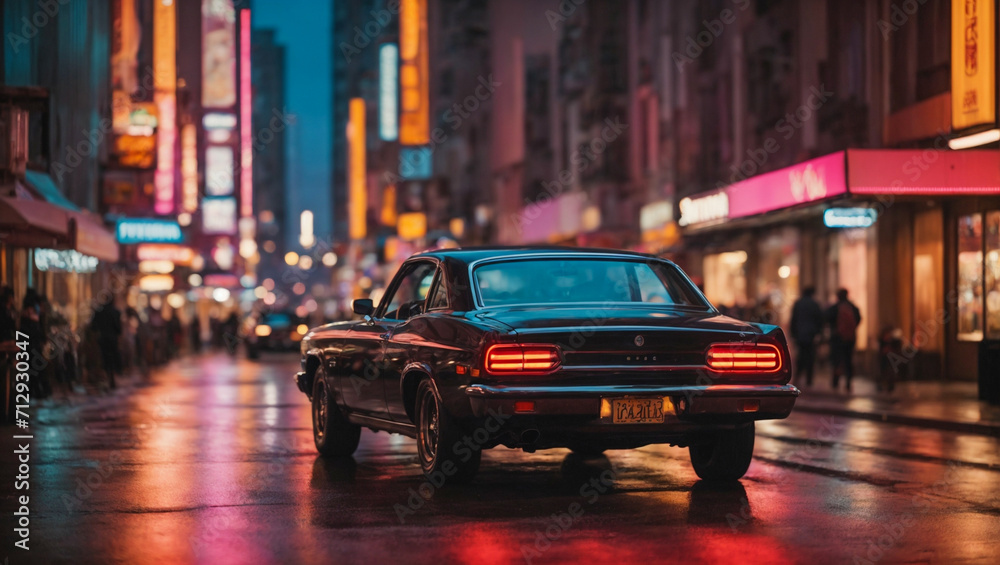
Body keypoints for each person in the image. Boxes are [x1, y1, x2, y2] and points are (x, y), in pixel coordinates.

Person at [827, 288, 861, 391]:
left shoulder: (835, 307)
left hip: (837, 338)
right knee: (848, 360)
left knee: (837, 360)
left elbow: (827, 318)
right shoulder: (853, 307)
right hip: (850, 338)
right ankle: (848, 383)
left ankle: (835, 382)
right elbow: (858, 319)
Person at [789, 286, 824, 387]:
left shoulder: (798, 303)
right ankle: (809, 378)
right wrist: (818, 333)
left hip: (800, 334)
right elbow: (820, 320)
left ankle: (798, 376)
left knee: (801, 356)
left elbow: (794, 319)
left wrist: (793, 334)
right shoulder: (815, 304)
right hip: (811, 335)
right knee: (810, 357)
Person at [92, 300, 123, 389]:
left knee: (105, 358)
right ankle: (112, 376)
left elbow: (93, 327)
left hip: (103, 339)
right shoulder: (116, 312)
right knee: (113, 357)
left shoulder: (99, 312)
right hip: (113, 339)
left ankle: (109, 376)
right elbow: (118, 329)